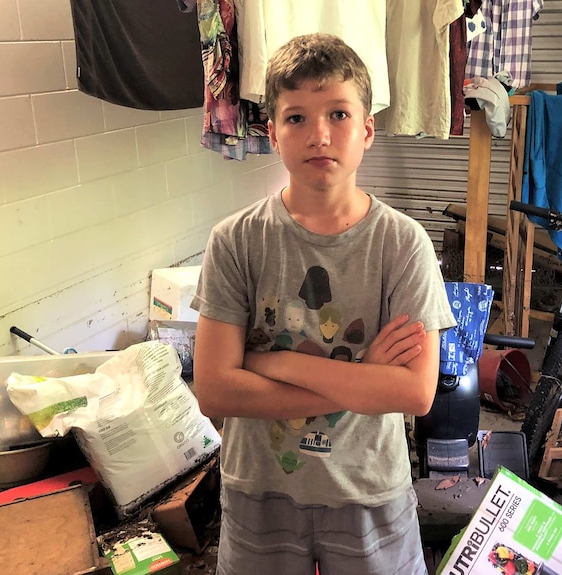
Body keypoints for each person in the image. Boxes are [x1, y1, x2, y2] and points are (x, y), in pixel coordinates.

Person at [190, 33, 456, 575]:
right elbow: (215, 390)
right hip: (258, 493)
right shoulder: (236, 241)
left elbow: (413, 391)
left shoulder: (402, 245)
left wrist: (273, 363)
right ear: (272, 133)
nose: (319, 135)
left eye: (338, 113)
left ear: (367, 130)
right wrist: (360, 378)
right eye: (296, 118)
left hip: (369, 491)